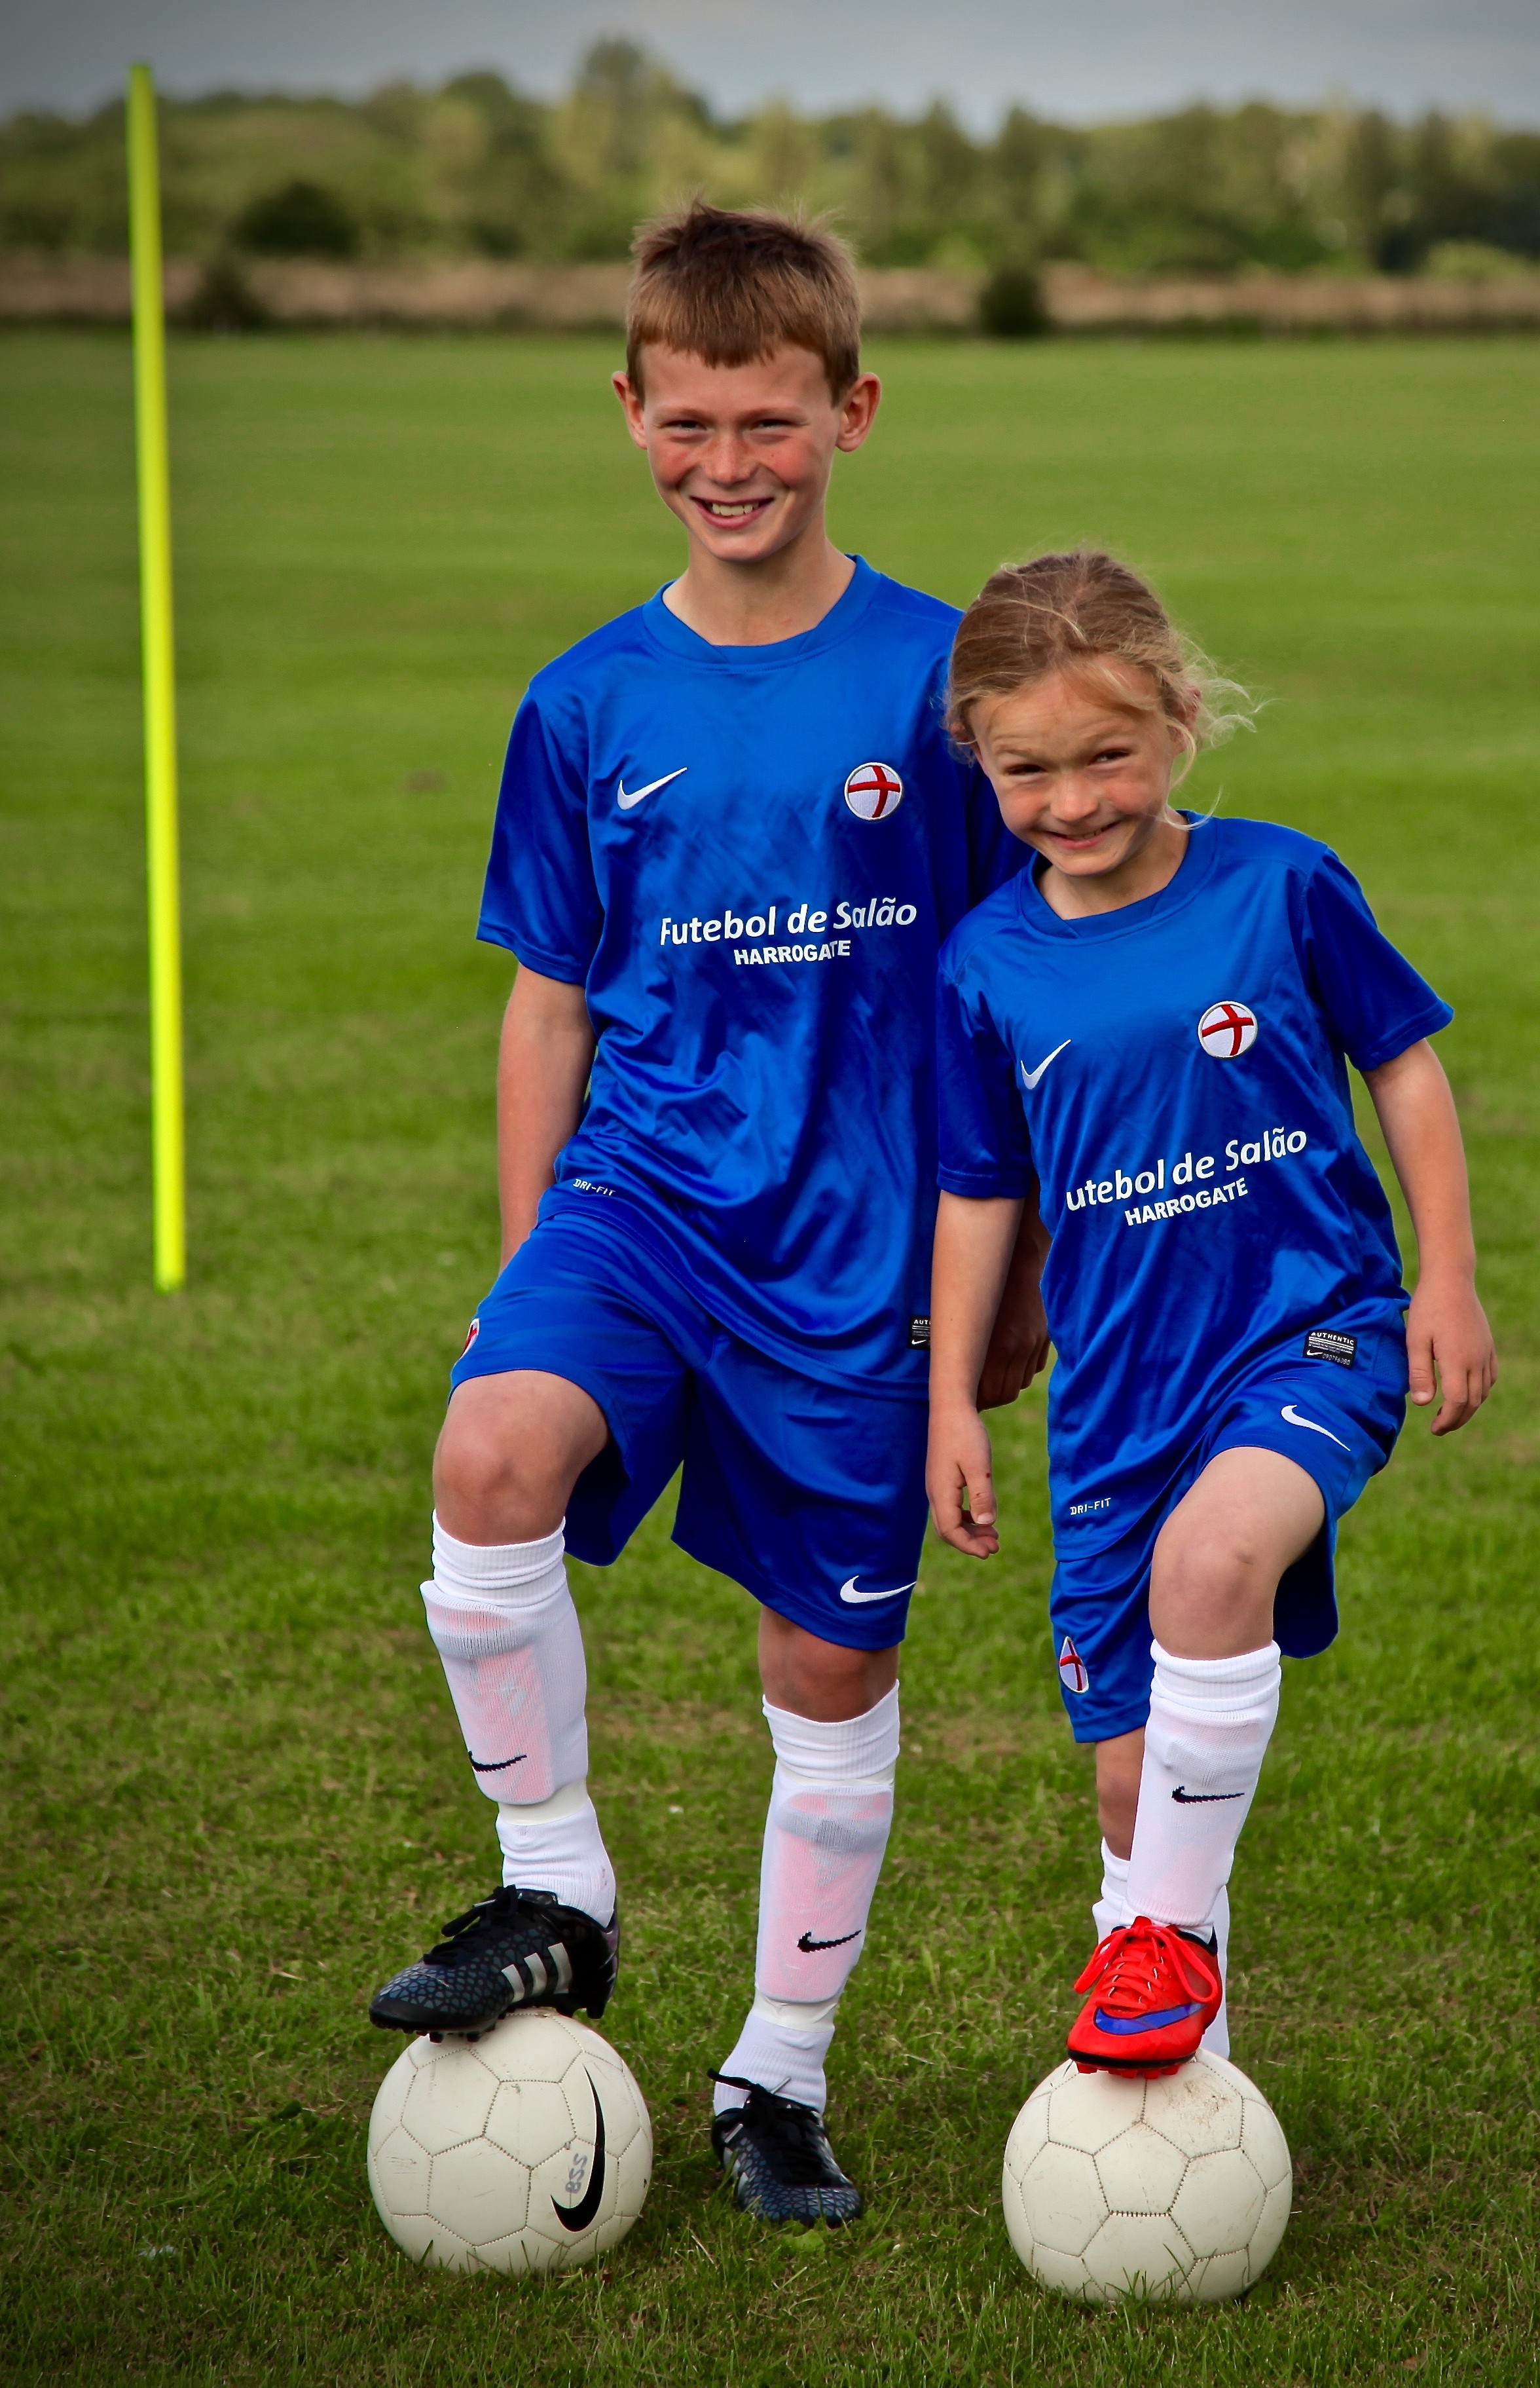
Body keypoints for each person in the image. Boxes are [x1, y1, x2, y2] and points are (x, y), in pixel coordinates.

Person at [366, 202, 1047, 2225]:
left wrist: (1011, 1284)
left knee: (822, 1678)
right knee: (490, 1451)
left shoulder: (939, 680)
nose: (725, 463)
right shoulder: (584, 702)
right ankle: (554, 1887)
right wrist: (523, 1261)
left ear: (850, 405)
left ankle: (778, 2072)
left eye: (768, 421)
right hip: (642, 1200)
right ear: (629, 409)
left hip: (863, 1253)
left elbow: (1012, 983)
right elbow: (550, 993)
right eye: (686, 423)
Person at [926, 550, 1495, 2077]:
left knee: (1216, 1559)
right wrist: (946, 1408)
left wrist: (1444, 1275)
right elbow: (981, 1188)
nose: (1072, 799)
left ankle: (1154, 1963)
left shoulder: (1282, 882)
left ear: (1180, 719)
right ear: (977, 760)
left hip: (1309, 1331)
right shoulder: (984, 961)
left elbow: (1408, 1067)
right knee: (1135, 1794)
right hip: (1116, 1399)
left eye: (1107, 753)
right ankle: (1189, 2072)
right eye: (1026, 769)